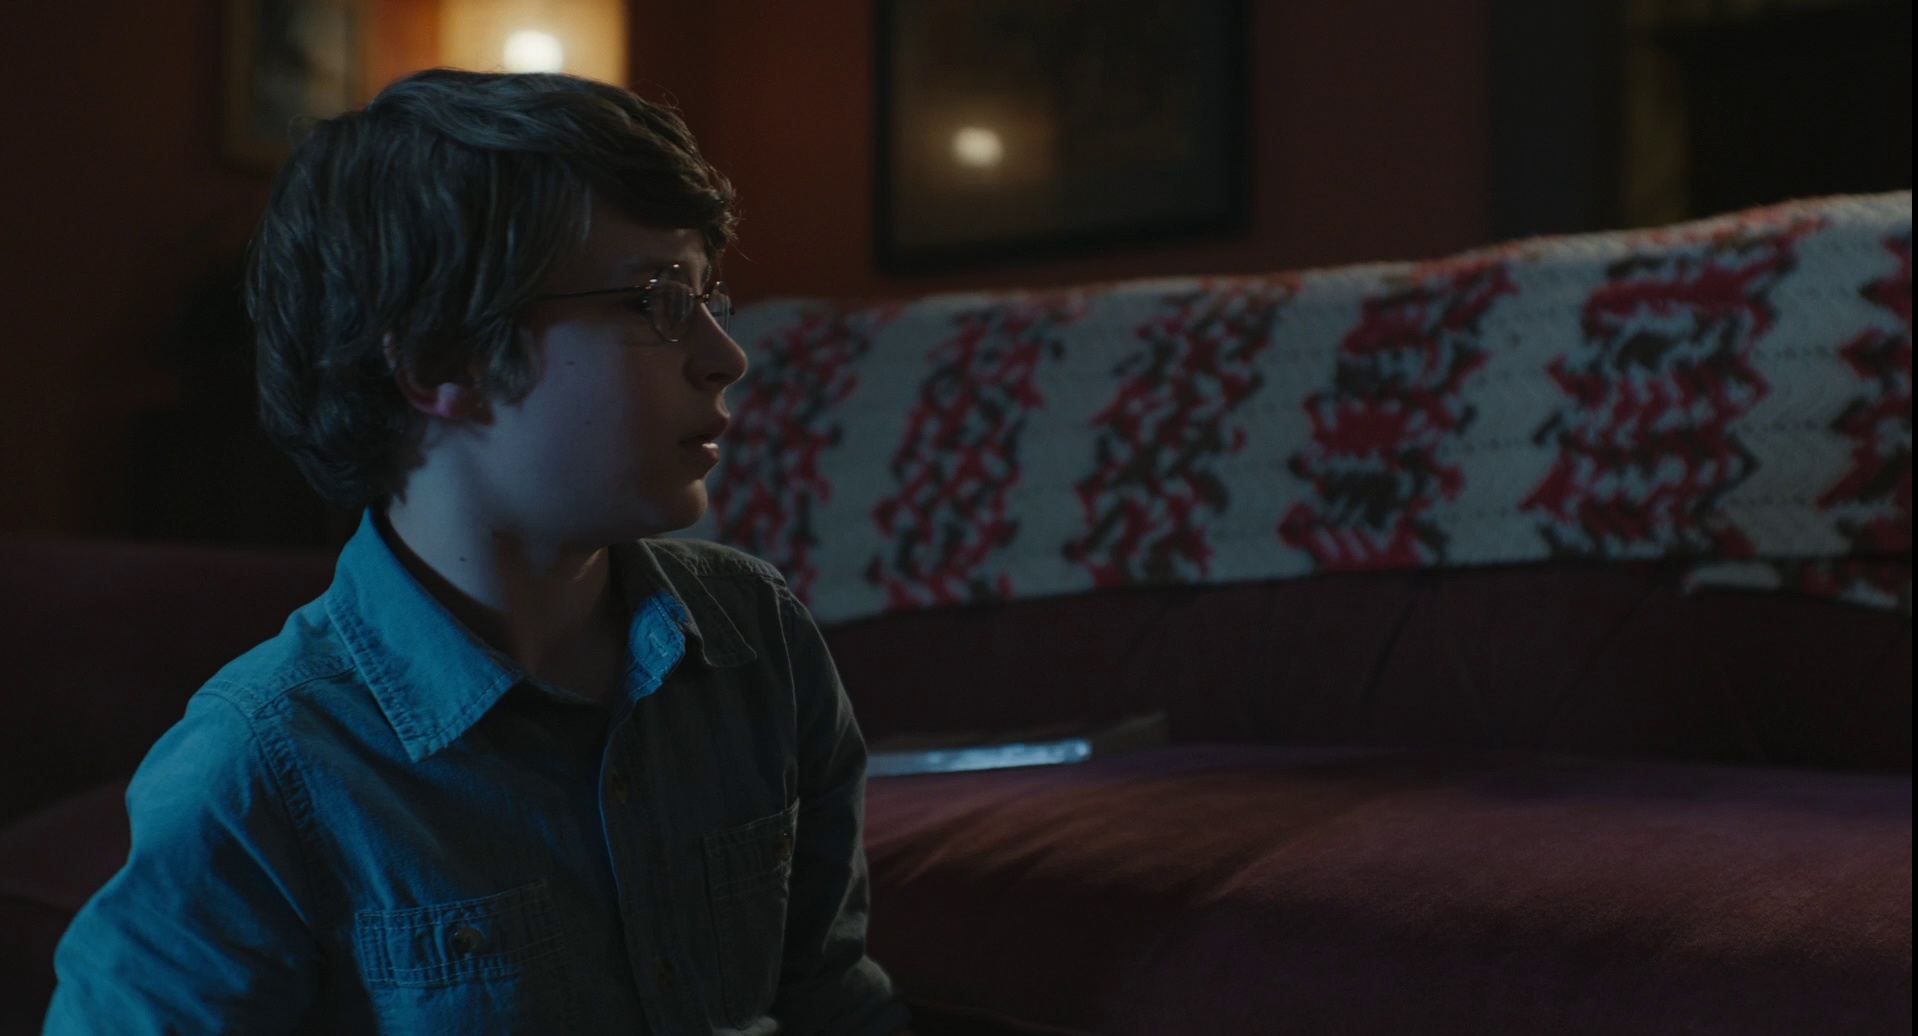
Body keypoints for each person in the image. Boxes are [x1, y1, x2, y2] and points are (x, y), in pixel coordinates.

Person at [43, 68, 913, 1035]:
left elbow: (832, 998)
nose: (726, 355)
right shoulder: (258, 768)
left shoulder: (756, 635)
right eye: (657, 301)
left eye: (712, 298)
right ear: (438, 361)